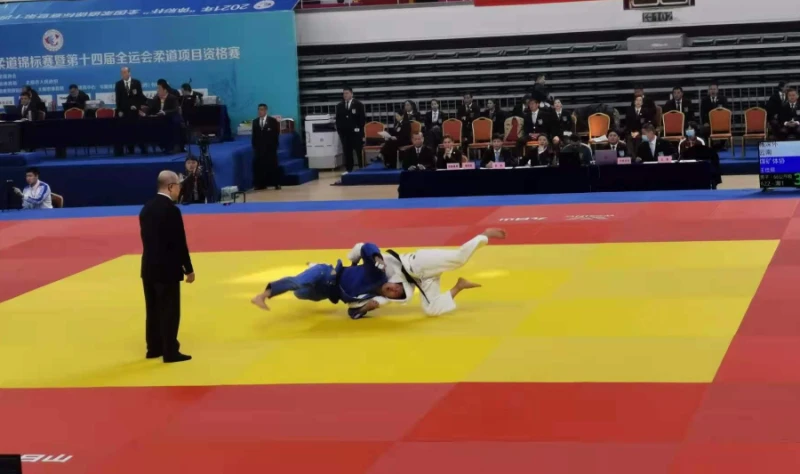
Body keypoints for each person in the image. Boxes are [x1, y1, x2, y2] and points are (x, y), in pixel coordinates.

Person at [351, 228, 507, 317]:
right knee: (431, 309)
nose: (394, 289)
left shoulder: (375, 268)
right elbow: (358, 310)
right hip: (422, 280)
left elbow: (361, 247)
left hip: (419, 263)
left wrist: (356, 261)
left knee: (459, 258)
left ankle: (485, 235)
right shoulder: (373, 293)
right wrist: (365, 309)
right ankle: (460, 286)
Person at [250, 242, 405, 319]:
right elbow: (367, 247)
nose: (393, 289)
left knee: (299, 293)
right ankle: (263, 295)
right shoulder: (378, 273)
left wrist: (366, 308)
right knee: (297, 283)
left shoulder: (371, 299)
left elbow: (352, 313)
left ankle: (312, 267)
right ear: (393, 281)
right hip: (326, 273)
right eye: (396, 287)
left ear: (389, 297)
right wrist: (377, 257)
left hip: (325, 292)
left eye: (395, 293)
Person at [139, 170, 195, 363]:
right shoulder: (172, 210)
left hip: (148, 267)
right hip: (167, 268)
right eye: (178, 185)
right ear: (170, 186)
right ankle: (170, 350)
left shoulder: (146, 208)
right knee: (169, 310)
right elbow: (179, 242)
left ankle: (154, 348)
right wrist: (188, 268)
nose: (180, 189)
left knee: (153, 310)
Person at [114, 66, 147, 155]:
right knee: (124, 130)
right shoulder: (118, 84)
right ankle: (127, 149)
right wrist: (119, 110)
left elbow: (140, 97)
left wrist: (136, 106)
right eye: (122, 73)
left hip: (135, 112)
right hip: (124, 111)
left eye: (125, 72)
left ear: (129, 73)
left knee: (138, 130)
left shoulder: (136, 83)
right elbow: (118, 99)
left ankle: (143, 149)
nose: (123, 74)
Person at [335, 87, 366, 173]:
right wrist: (340, 132)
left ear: (351, 94)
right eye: (344, 93)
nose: (345, 95)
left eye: (347, 93)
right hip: (345, 134)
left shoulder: (359, 104)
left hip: (356, 134)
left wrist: (359, 131)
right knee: (347, 153)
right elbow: (338, 120)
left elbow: (362, 119)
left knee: (358, 152)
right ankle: (349, 170)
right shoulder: (339, 106)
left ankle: (361, 169)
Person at [251, 103, 281, 190]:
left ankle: (276, 183)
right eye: (259, 110)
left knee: (273, 166)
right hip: (259, 149)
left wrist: (274, 147)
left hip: (270, 148)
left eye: (261, 109)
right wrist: (255, 146)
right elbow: (254, 136)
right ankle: (260, 184)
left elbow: (275, 135)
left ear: (265, 110)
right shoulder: (255, 122)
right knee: (259, 166)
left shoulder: (272, 121)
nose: (260, 111)